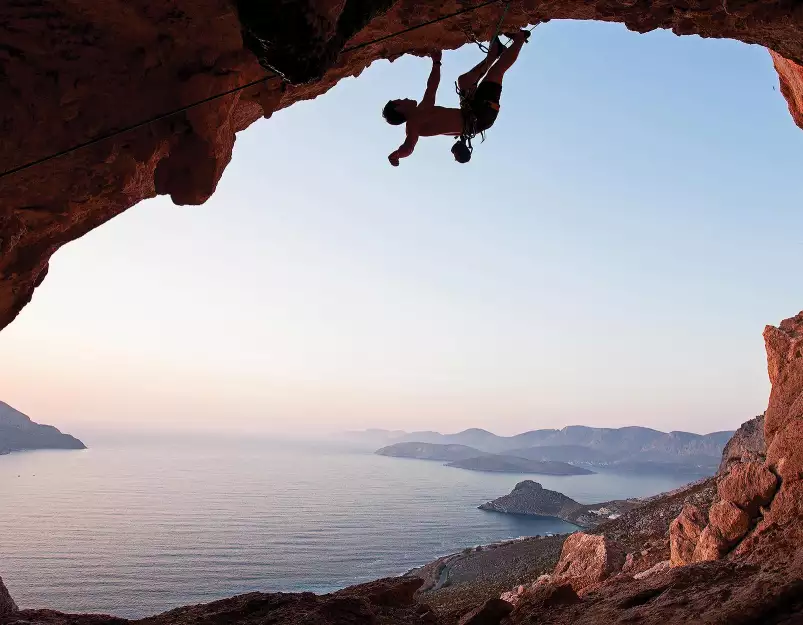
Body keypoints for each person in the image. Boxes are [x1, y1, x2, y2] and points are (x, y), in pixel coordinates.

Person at [383, 29, 530, 166]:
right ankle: (520, 39)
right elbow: (408, 147)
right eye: (401, 100)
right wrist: (396, 154)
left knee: (464, 81)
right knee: (496, 72)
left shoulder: (422, 110)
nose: (406, 98)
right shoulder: (413, 125)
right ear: (399, 108)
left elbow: (432, 87)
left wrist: (436, 62)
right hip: (481, 115)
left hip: (472, 111)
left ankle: (495, 52)